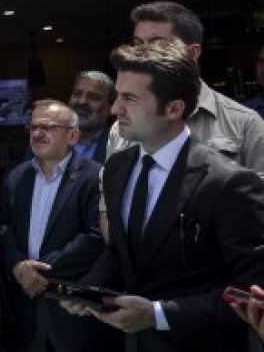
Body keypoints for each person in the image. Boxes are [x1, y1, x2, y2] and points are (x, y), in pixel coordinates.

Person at [68, 40, 264, 351]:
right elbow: (120, 251)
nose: (115, 108)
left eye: (129, 98)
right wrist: (87, 290)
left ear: (174, 108)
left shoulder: (229, 183)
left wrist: (158, 314)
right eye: (118, 95)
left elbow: (251, 295)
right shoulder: (117, 168)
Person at [0, 99, 112, 352]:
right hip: (27, 308)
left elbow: (95, 236)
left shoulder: (95, 176)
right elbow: (3, 226)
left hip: (72, 306)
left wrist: (40, 271)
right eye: (34, 127)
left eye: (47, 127)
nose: (37, 133)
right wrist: (17, 265)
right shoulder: (17, 176)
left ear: (73, 136)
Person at [106, 1, 264, 171]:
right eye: (138, 44)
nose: (143, 54)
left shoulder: (244, 124)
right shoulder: (122, 128)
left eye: (157, 44)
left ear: (193, 52)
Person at [70, 70, 114, 163]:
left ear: (111, 107)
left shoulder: (119, 147)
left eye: (93, 97)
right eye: (77, 94)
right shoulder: (52, 138)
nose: (82, 102)